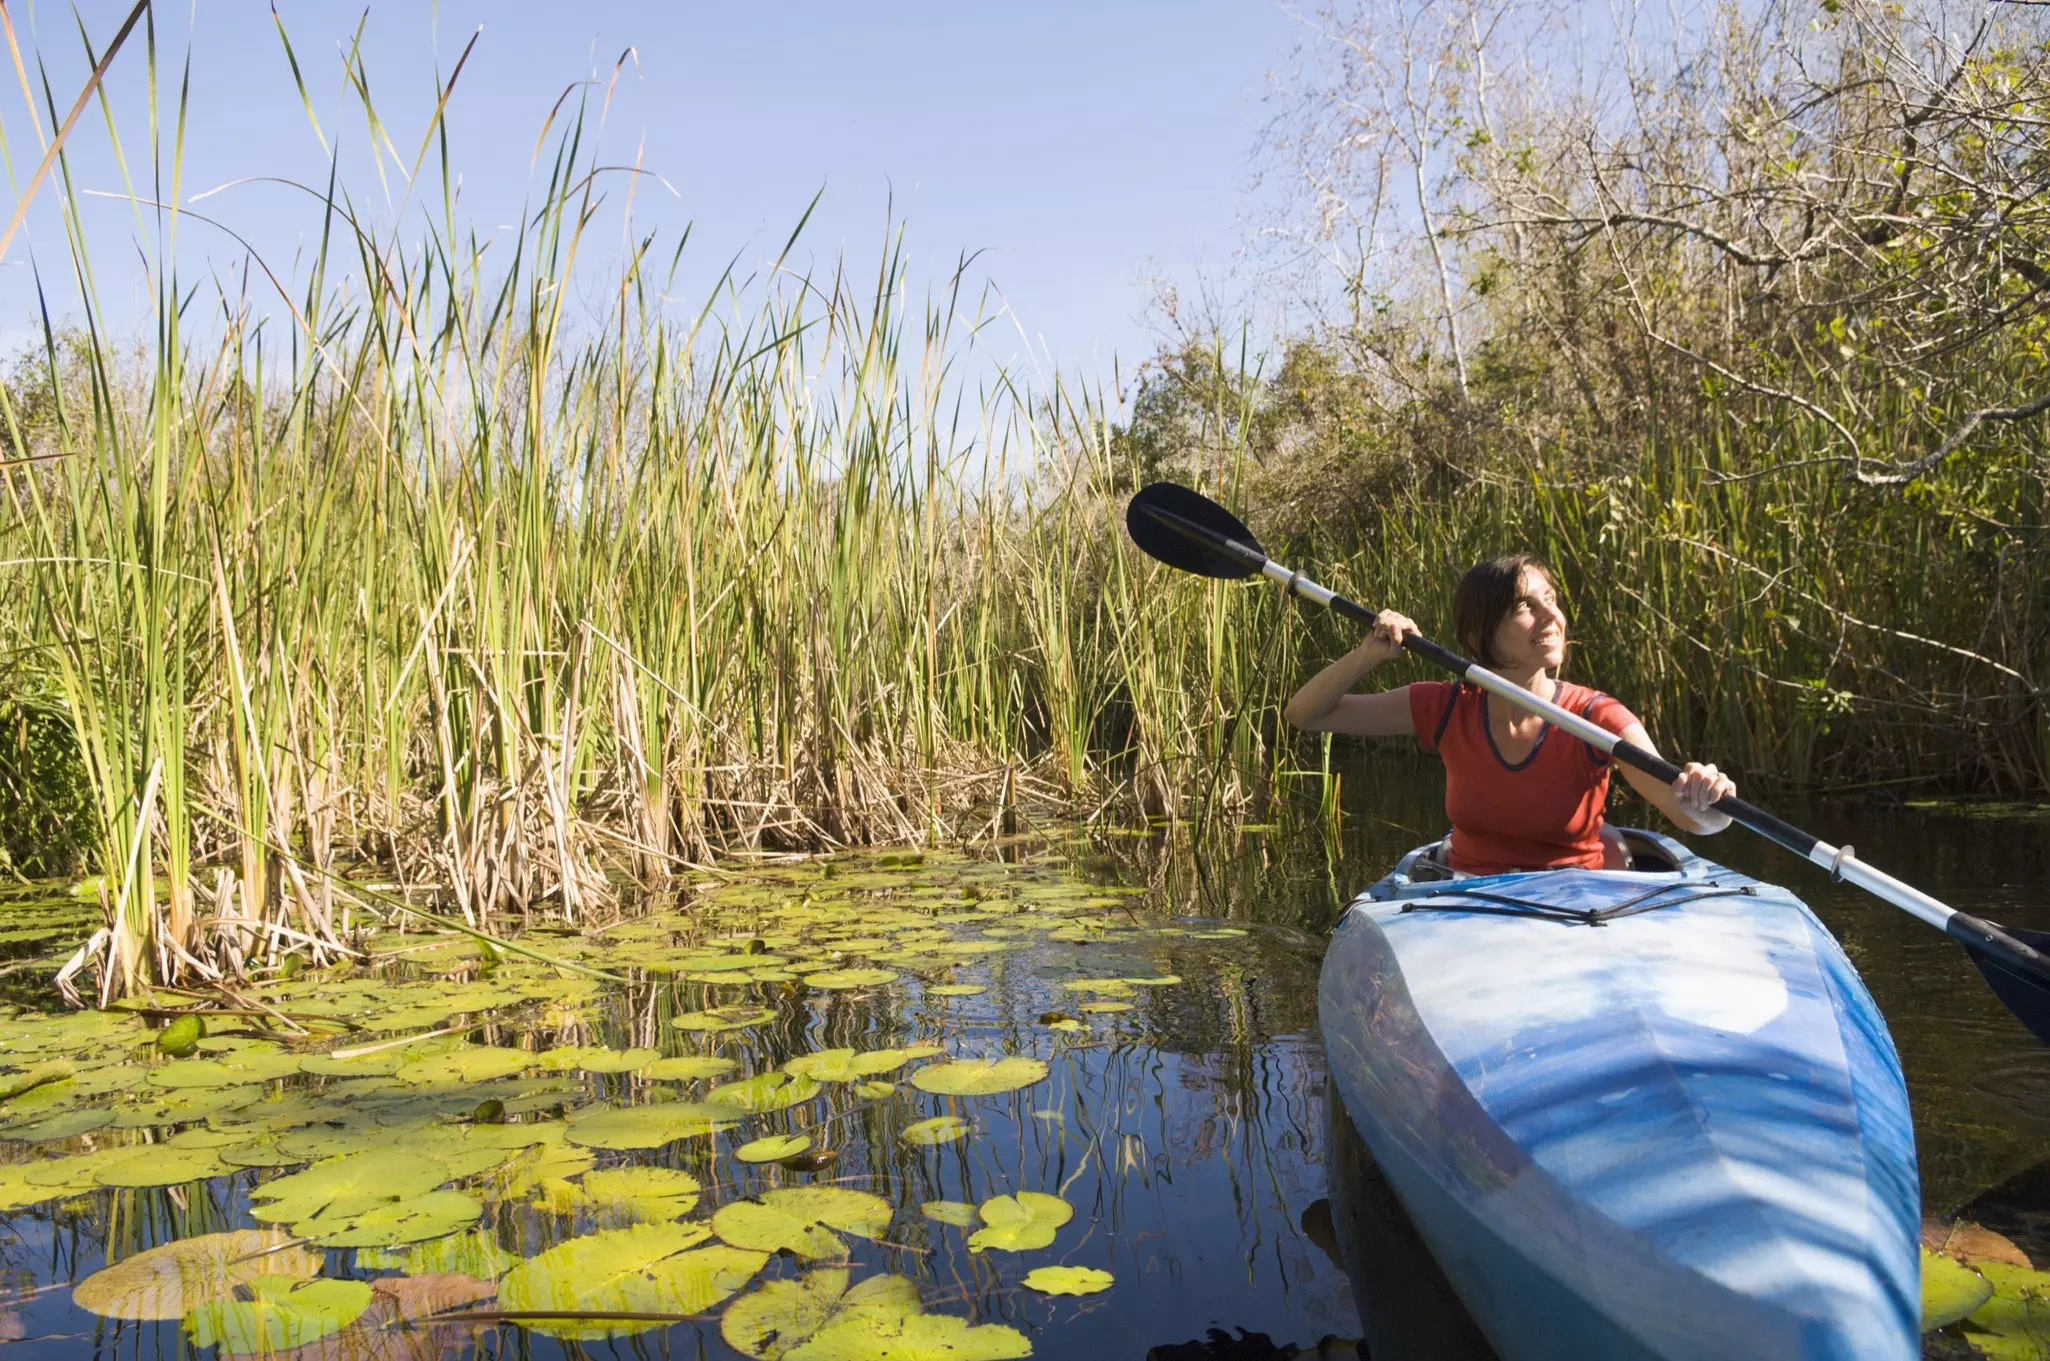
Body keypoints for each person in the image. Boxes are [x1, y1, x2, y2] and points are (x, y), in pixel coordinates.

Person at [1282, 553, 1736, 874]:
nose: (1551, 616)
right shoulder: (1445, 706)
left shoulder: (1596, 716)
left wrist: (1709, 799)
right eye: (1526, 606)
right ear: (1482, 633)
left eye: (1551, 599)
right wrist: (1368, 656)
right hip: (1473, 901)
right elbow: (1306, 714)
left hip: (1578, 906)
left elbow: (1690, 816)